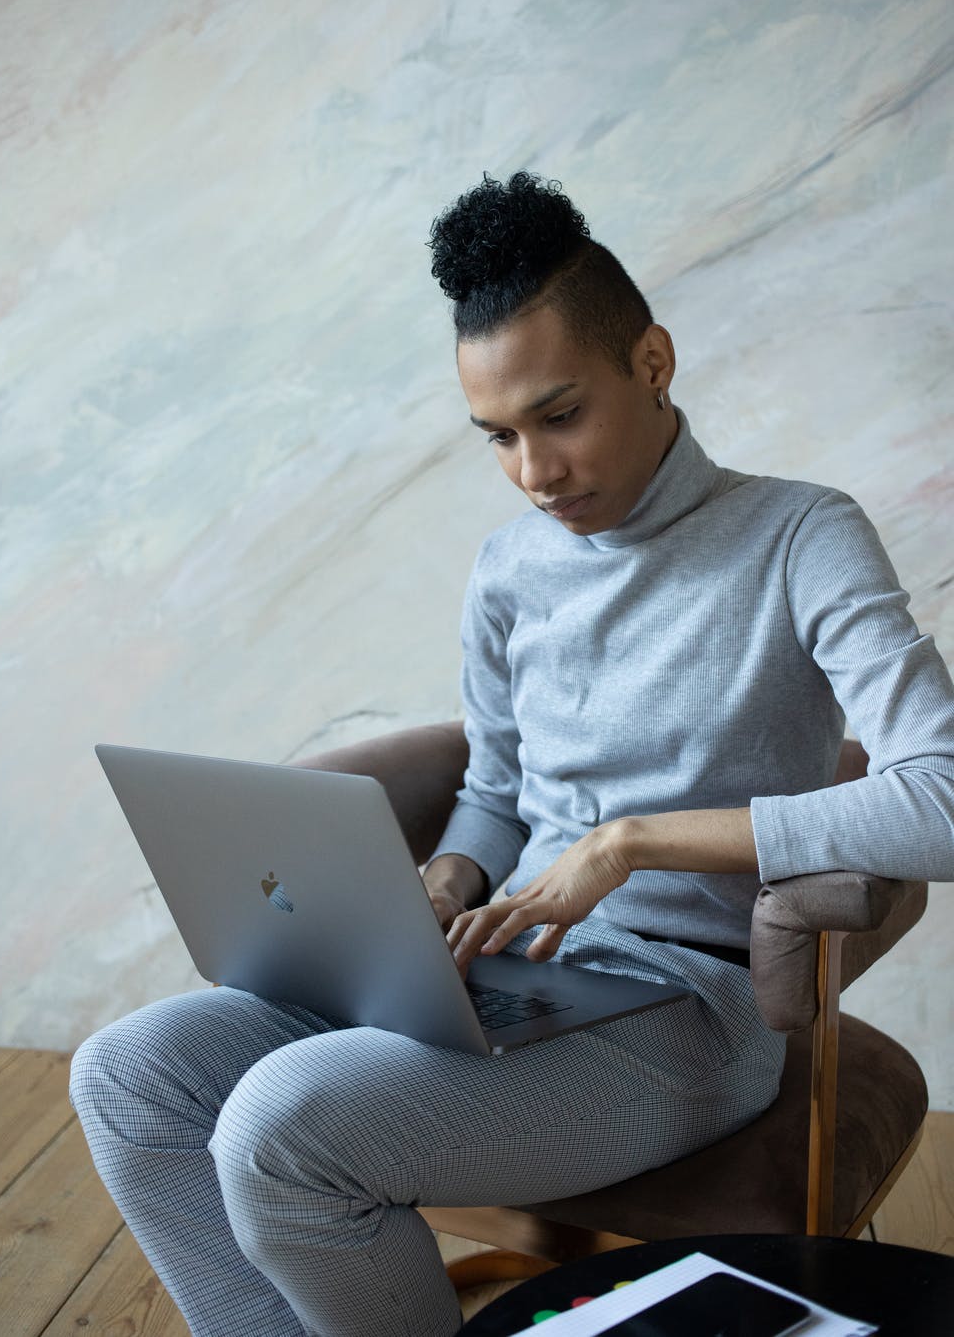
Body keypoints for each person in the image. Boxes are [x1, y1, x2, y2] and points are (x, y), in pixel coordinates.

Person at [70, 171, 954, 1337]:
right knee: (127, 1074)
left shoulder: (799, 535)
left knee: (282, 1124)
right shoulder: (509, 569)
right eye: (498, 436)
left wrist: (629, 845)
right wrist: (446, 882)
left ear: (652, 361)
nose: (535, 472)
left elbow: (939, 800)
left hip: (686, 1007)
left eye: (560, 415)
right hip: (498, 973)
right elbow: (495, 789)